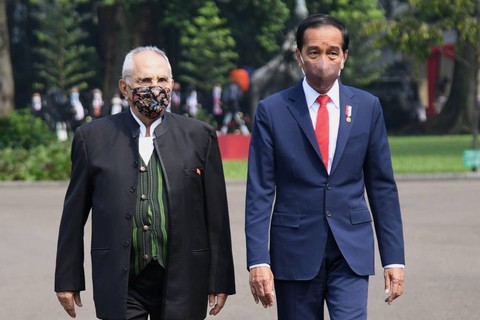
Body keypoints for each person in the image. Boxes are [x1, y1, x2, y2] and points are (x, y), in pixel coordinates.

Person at [55, 46, 236, 320]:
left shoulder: (199, 136)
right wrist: (67, 279)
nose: (155, 88)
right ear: (124, 88)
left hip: (182, 276)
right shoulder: (92, 138)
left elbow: (216, 217)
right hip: (121, 278)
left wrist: (220, 279)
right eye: (144, 81)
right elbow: (73, 215)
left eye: (162, 80)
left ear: (172, 84)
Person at [245, 13, 405, 320]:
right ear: (299, 57)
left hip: (350, 249)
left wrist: (394, 258)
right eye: (313, 52)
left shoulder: (366, 107)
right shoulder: (272, 111)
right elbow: (260, 191)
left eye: (333, 52)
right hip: (294, 251)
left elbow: (382, 186)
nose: (323, 61)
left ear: (344, 57)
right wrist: (258, 260)